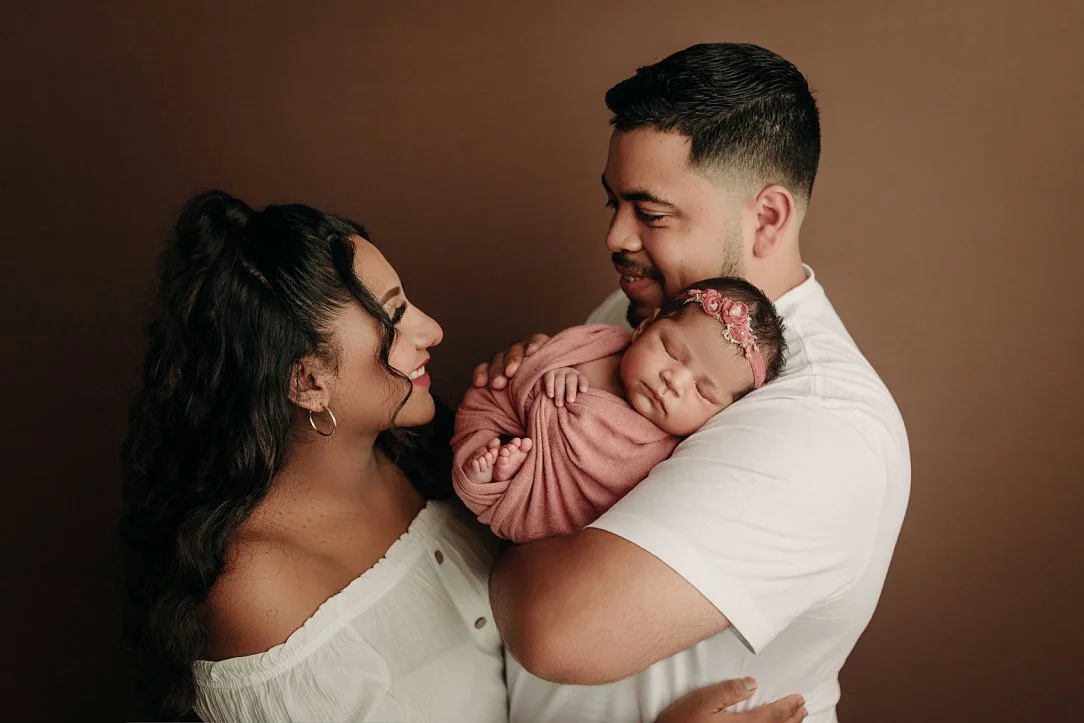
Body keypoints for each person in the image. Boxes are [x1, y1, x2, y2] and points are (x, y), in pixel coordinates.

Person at [119, 190, 807, 722]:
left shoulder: (418, 453)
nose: (432, 328)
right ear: (307, 382)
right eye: (394, 317)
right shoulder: (258, 596)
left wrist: (538, 380)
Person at [479, 43, 911, 723]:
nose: (616, 236)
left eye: (649, 212)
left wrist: (493, 516)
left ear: (766, 218)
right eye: (613, 203)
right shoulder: (655, 312)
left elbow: (553, 628)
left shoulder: (820, 425)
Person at [452, 277, 786, 542]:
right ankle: (488, 468)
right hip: (509, 424)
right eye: (671, 351)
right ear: (645, 326)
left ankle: (507, 482)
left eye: (702, 391)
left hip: (546, 516)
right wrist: (550, 375)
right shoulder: (597, 344)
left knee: (507, 473)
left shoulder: (664, 452)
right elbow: (529, 368)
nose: (674, 381)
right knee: (482, 430)